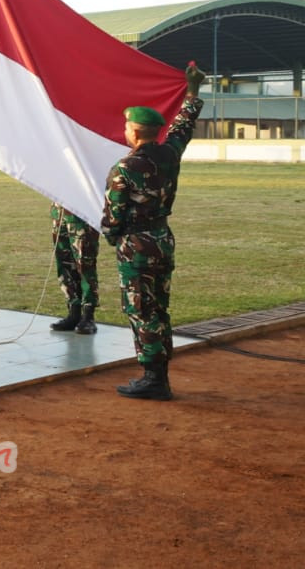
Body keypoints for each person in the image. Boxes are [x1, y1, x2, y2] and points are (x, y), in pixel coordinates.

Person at [101, 62, 205, 401]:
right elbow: (184, 126)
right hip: (162, 239)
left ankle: (153, 378)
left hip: (137, 245)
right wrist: (193, 91)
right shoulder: (169, 155)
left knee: (140, 309)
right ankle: (159, 373)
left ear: (133, 131)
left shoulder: (125, 168)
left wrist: (115, 237)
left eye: (127, 127)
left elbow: (113, 216)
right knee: (159, 307)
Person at [48, 204, 99, 333]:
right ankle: (73, 312)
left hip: (81, 213)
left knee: (85, 264)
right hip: (59, 212)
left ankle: (88, 315)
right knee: (64, 263)